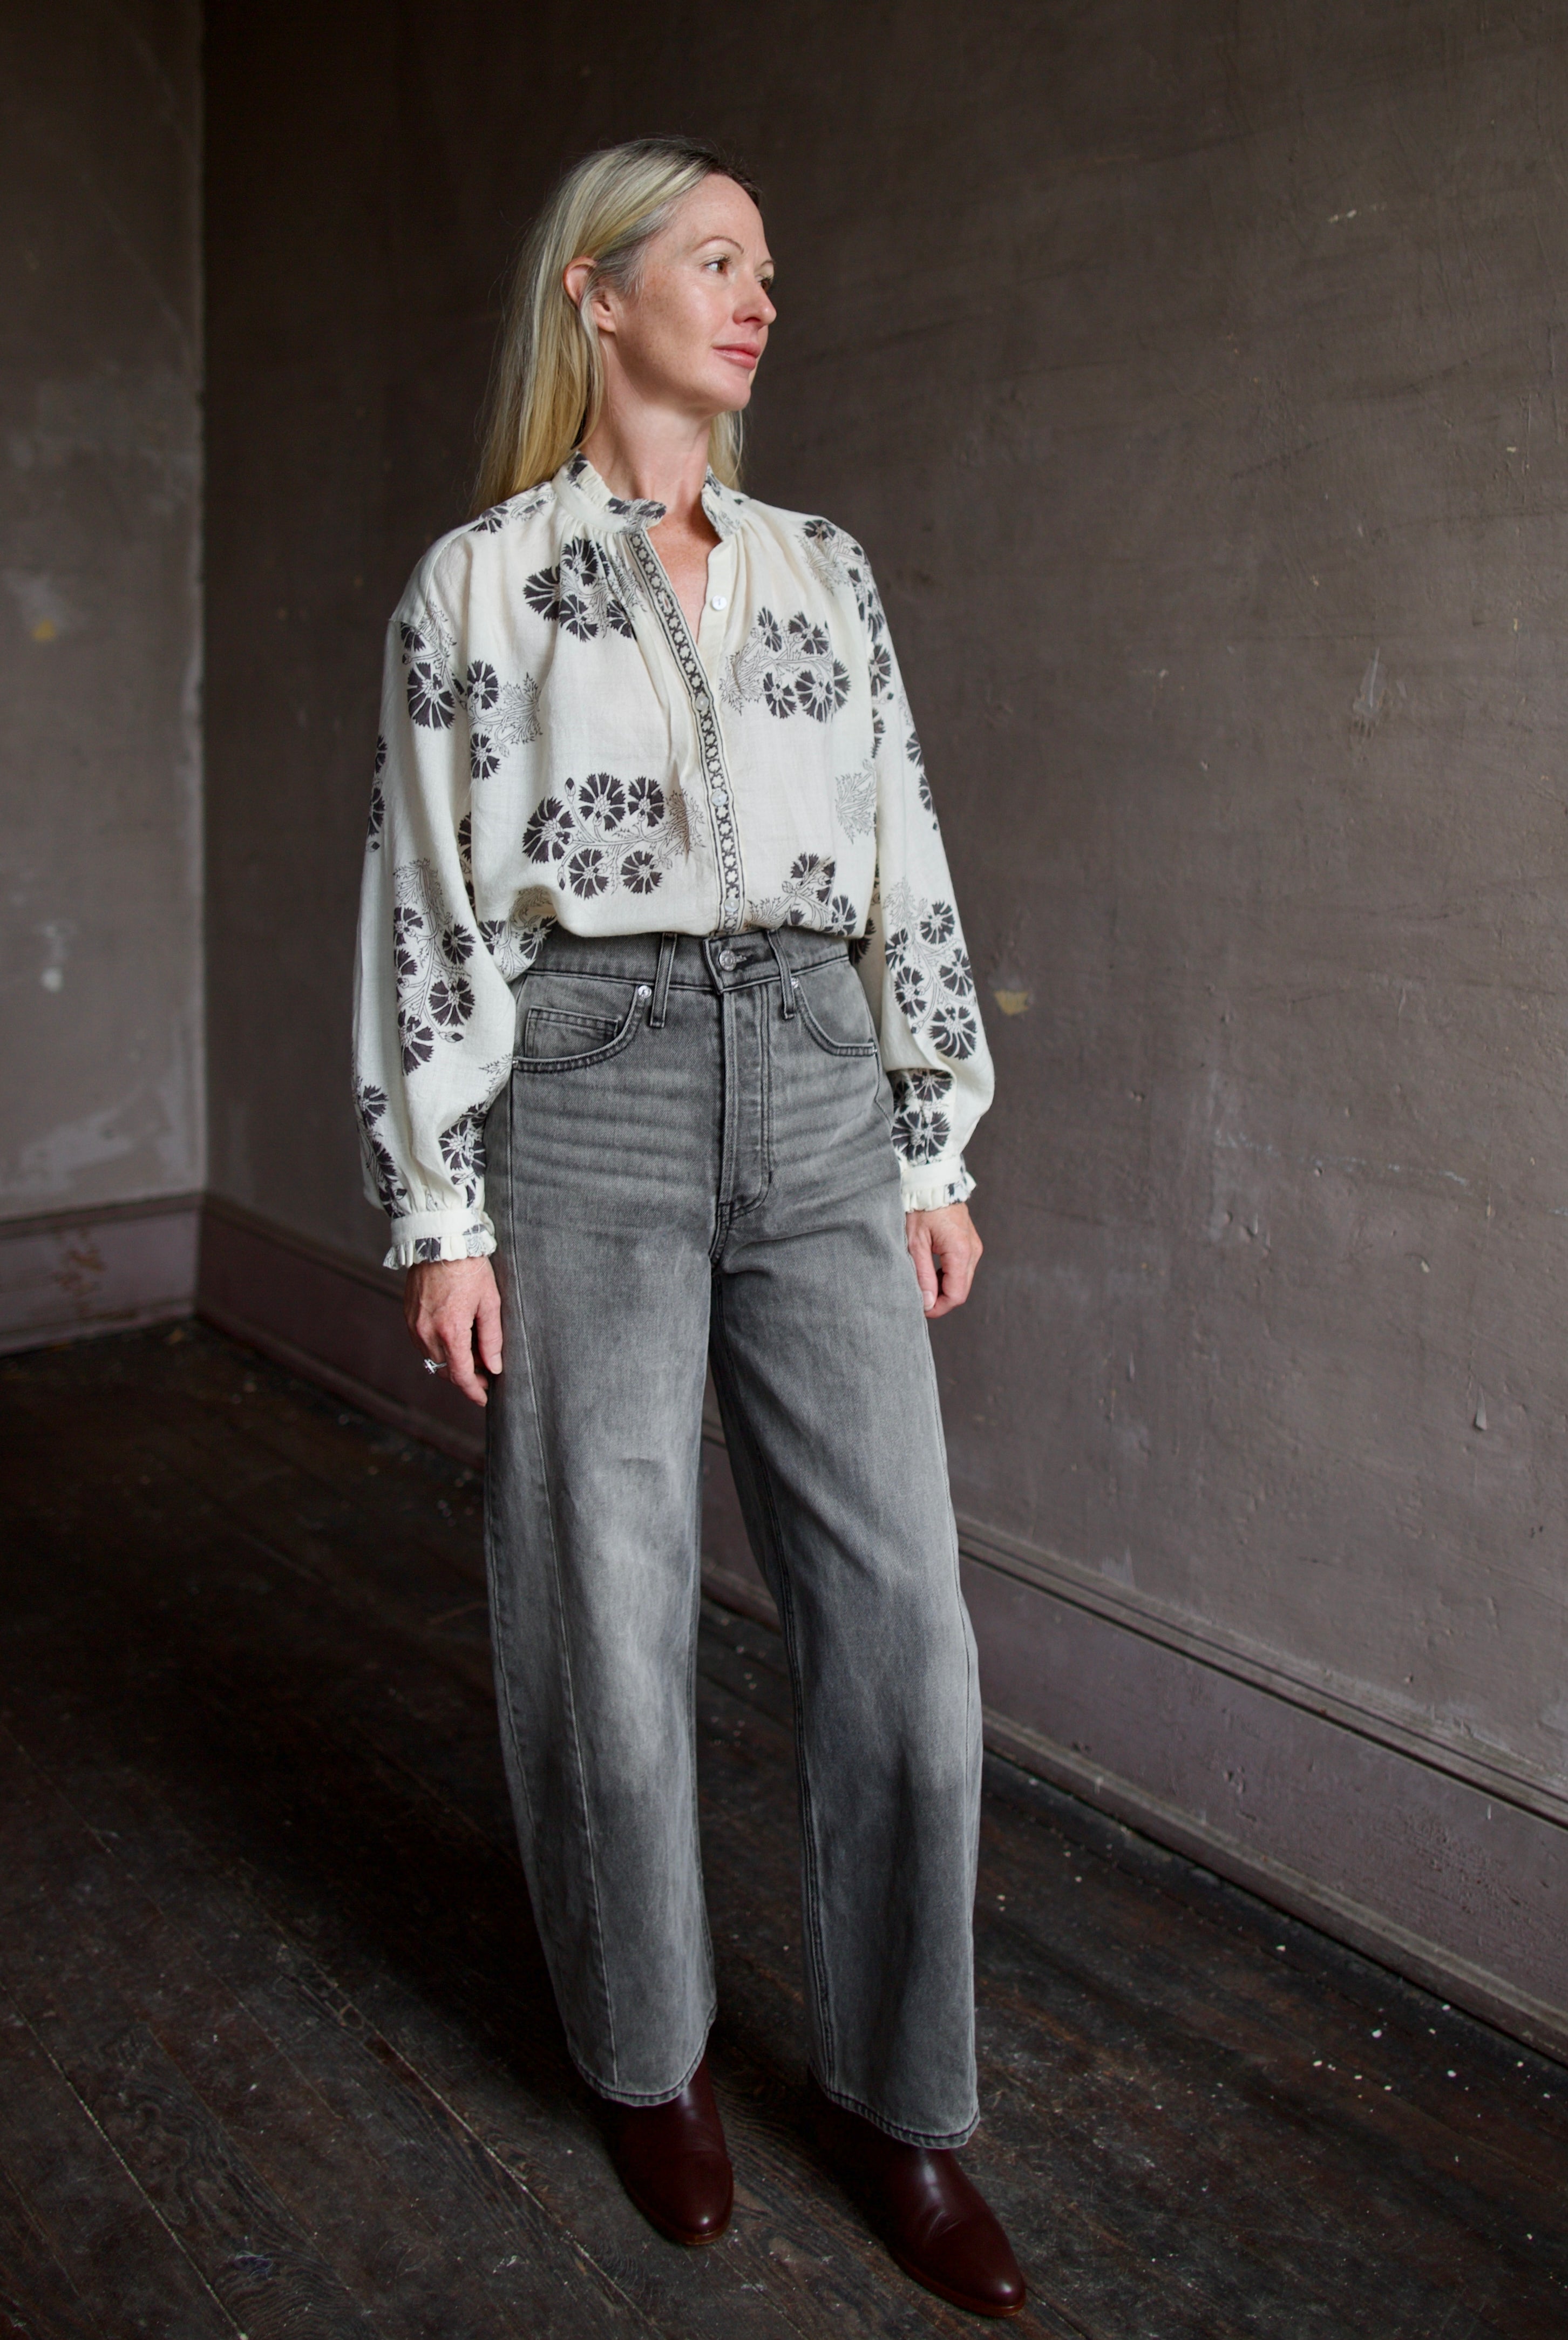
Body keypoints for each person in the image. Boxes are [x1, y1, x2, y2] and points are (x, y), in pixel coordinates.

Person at [352, 137, 1022, 2318]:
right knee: (603, 1616)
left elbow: (901, 846)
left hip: (818, 1091)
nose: (754, 299)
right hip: (593, 1096)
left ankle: (907, 2106)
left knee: (908, 1640)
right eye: (712, 261)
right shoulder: (478, 586)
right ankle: (649, 2060)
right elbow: (433, 901)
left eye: (764, 266)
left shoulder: (825, 567)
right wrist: (441, 1202)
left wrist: (930, 1142)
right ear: (596, 294)